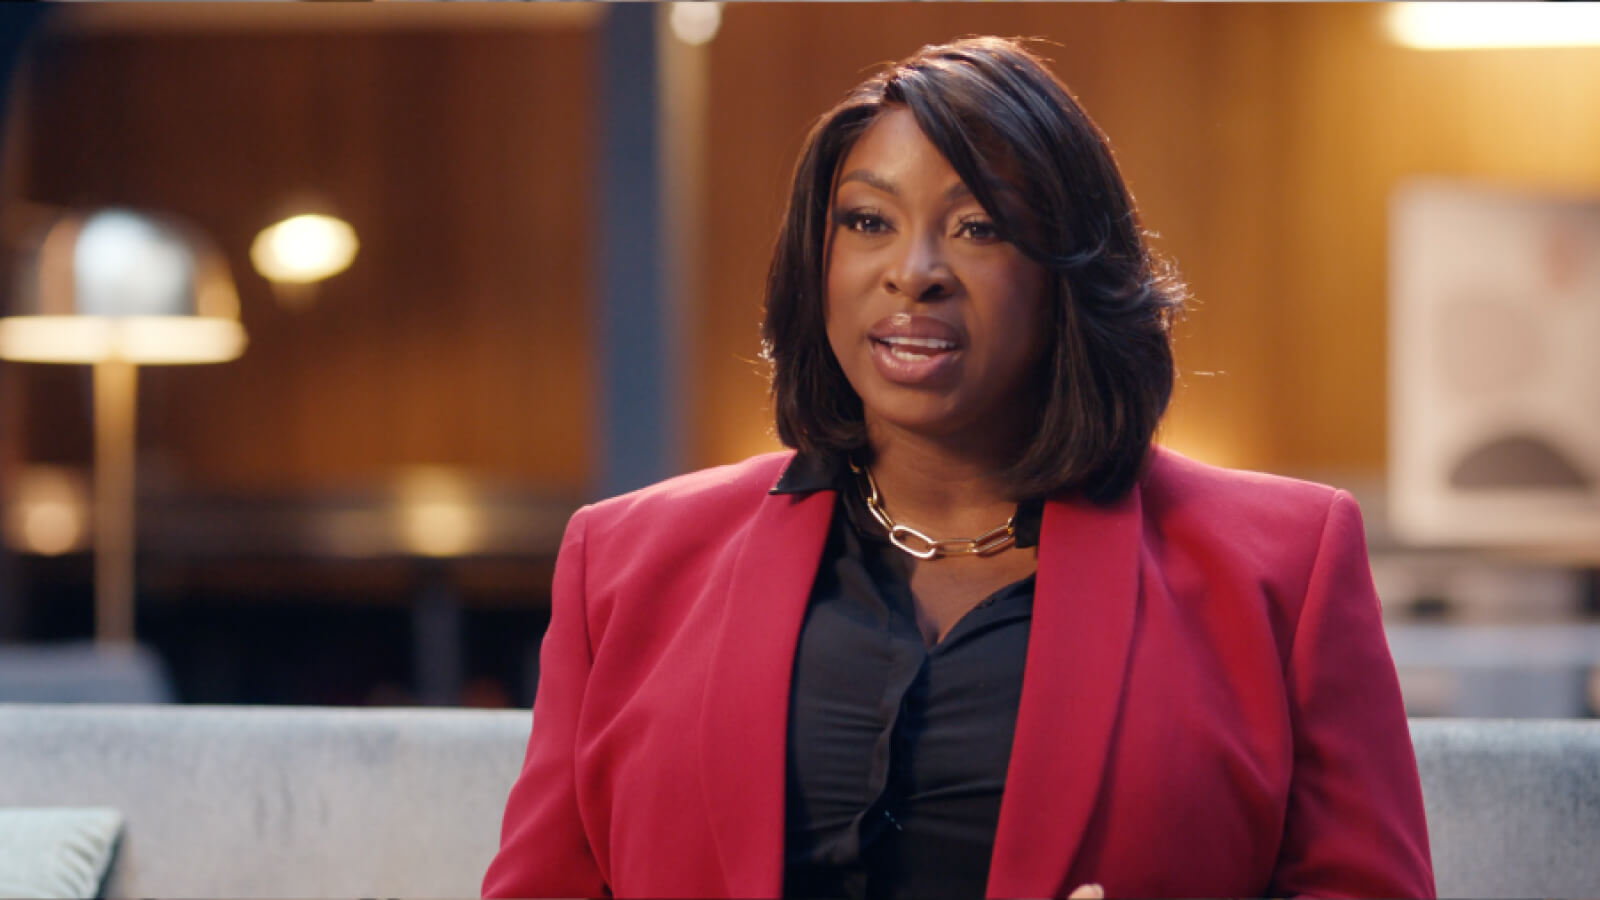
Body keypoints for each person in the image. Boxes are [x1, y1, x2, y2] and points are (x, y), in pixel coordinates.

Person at [483, 36, 1434, 900]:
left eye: (979, 227)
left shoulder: (1284, 566)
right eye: (868, 221)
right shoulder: (622, 562)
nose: (915, 271)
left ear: (1069, 275)